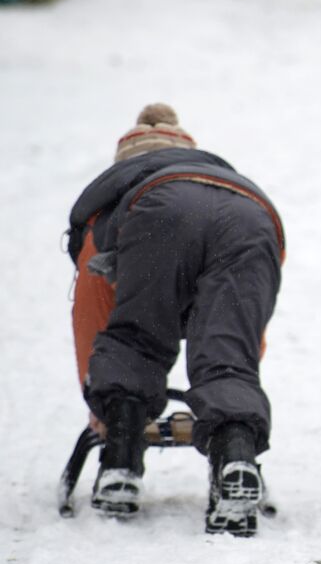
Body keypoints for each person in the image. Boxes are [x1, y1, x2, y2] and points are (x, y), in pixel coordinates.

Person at [67, 103, 285, 536]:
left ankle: (120, 468)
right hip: (255, 217)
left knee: (137, 338)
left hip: (162, 215)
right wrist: (236, 365)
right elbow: (247, 332)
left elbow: (92, 314)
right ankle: (236, 464)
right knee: (228, 357)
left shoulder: (121, 199)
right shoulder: (227, 182)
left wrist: (101, 400)